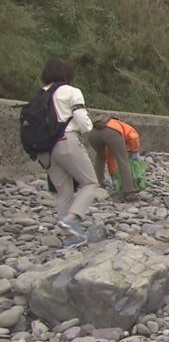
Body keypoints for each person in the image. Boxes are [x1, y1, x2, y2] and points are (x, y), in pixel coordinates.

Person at [36, 59, 99, 248]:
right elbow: (83, 122)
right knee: (90, 183)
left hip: (43, 150)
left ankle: (69, 238)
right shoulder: (71, 91)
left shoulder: (40, 95)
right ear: (67, 74)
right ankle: (71, 219)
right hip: (66, 142)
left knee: (63, 192)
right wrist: (87, 127)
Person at [86, 114, 141, 202]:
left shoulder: (115, 123)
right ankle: (128, 193)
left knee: (100, 156)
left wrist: (113, 175)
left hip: (93, 133)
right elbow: (134, 137)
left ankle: (98, 183)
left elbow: (110, 158)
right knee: (123, 161)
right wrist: (134, 151)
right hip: (112, 133)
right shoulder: (129, 129)